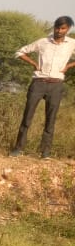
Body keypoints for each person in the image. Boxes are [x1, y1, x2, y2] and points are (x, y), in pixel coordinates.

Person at [10, 16, 75, 159]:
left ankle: (45, 153)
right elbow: (20, 52)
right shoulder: (43, 42)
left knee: (50, 119)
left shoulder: (71, 44)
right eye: (57, 27)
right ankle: (18, 149)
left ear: (68, 29)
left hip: (56, 84)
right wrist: (34, 64)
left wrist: (68, 66)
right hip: (38, 82)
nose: (59, 30)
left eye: (62, 28)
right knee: (27, 117)